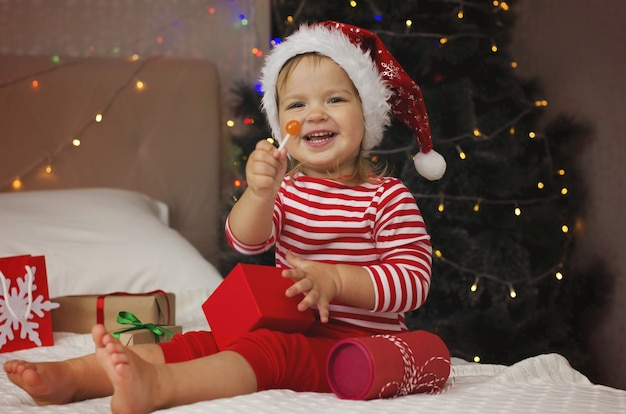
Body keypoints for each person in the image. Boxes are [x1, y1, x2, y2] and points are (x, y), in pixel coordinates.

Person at [3, 21, 446, 413]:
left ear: (366, 115)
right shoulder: (287, 190)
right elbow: (245, 241)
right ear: (281, 124)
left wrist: (337, 281)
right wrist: (259, 194)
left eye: (334, 99)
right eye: (296, 106)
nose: (314, 114)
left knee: (270, 351)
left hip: (352, 345)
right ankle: (75, 376)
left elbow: (413, 281)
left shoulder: (387, 196)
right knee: (204, 340)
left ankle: (158, 386)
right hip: (289, 320)